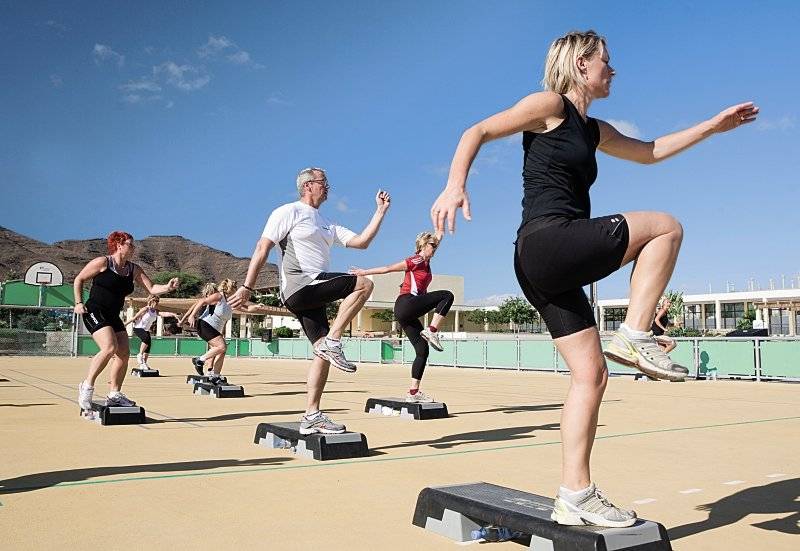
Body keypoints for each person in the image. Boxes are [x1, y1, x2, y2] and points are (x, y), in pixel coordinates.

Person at [429, 30, 757, 527]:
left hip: (542, 263)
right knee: (666, 226)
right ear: (581, 64)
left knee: (591, 375)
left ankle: (575, 493)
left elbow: (649, 151)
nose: (614, 70)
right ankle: (636, 332)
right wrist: (455, 185)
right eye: (607, 61)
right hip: (546, 241)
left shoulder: (594, 128)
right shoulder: (549, 104)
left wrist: (712, 126)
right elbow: (475, 131)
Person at [229, 167, 390, 435]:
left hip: (312, 292)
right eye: (323, 182)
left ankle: (311, 415)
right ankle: (334, 340)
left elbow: (362, 242)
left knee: (321, 353)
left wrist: (380, 212)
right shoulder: (287, 212)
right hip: (300, 285)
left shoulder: (327, 223)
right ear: (307, 186)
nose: (327, 187)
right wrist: (248, 286)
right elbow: (262, 247)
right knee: (364, 283)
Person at [73, 231, 179, 410]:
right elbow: (79, 279)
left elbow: (152, 288)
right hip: (94, 310)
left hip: (113, 315)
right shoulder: (102, 262)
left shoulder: (134, 269)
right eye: (130, 244)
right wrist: (78, 302)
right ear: (118, 245)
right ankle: (87, 386)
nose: (133, 247)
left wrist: (168, 287)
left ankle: (114, 394)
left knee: (123, 353)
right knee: (109, 348)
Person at [350, 231, 453, 403]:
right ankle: (432, 330)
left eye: (436, 246)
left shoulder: (427, 262)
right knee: (447, 296)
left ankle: (413, 393)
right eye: (432, 246)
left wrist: (440, 230)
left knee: (422, 350)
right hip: (406, 303)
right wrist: (364, 271)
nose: (435, 249)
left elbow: (437, 239)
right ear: (422, 245)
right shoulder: (416, 260)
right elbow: (388, 268)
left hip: (407, 312)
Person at [182, 278, 270, 383]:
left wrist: (256, 306)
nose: (237, 290)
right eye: (235, 288)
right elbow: (202, 301)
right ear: (230, 288)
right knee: (221, 347)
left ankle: (216, 375)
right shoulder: (219, 296)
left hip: (214, 329)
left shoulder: (232, 302)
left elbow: (247, 309)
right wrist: (191, 316)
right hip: (205, 325)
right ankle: (199, 360)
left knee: (222, 350)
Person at [126, 295, 181, 370]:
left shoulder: (156, 311)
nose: (157, 303)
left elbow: (164, 313)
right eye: (156, 301)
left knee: (148, 346)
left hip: (146, 330)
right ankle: (140, 355)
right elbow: (134, 318)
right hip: (138, 328)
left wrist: (173, 314)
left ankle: (143, 364)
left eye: (158, 302)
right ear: (151, 301)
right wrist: (124, 325)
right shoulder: (145, 309)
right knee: (146, 338)